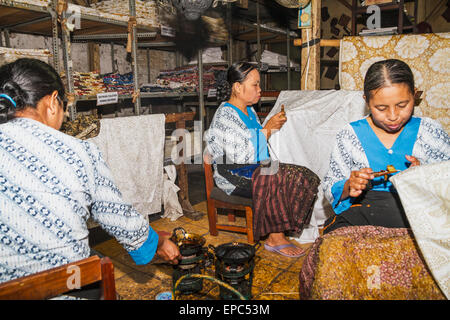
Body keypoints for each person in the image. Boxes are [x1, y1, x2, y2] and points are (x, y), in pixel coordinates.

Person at [0, 58, 181, 288]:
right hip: (66, 284)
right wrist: (158, 243)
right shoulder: (78, 151)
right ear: (53, 102)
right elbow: (118, 216)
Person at [205, 62, 320, 257]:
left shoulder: (249, 111)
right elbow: (240, 157)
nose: (260, 90)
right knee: (277, 179)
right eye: (255, 85)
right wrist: (267, 130)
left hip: (256, 169)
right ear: (237, 87)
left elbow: (257, 146)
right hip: (233, 176)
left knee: (303, 176)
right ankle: (275, 238)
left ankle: (284, 226)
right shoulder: (225, 116)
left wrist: (268, 129)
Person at [322, 59, 450, 234]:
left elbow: (446, 181)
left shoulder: (429, 132)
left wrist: (423, 177)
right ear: (367, 101)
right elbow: (331, 188)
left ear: (414, 94)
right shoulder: (349, 135)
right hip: (366, 210)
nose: (393, 116)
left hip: (419, 212)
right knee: (336, 237)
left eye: (402, 105)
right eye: (381, 108)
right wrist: (349, 185)